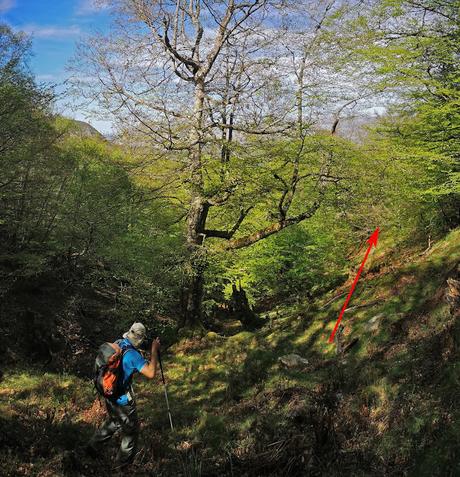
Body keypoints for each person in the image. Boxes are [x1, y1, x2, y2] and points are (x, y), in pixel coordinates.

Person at [86, 322, 160, 466]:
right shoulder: (133, 355)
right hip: (122, 400)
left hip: (108, 393)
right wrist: (154, 351)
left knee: (114, 421)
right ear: (140, 339)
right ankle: (122, 466)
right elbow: (151, 373)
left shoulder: (118, 343)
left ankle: (91, 449)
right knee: (131, 431)